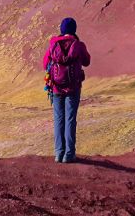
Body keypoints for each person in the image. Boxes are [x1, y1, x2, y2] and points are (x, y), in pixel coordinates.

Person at [42, 17, 91, 163]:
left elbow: (45, 64)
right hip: (74, 87)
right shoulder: (78, 45)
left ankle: (58, 153)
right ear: (74, 29)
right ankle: (69, 154)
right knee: (70, 119)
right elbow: (87, 61)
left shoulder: (53, 44)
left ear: (61, 30)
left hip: (56, 87)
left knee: (59, 119)